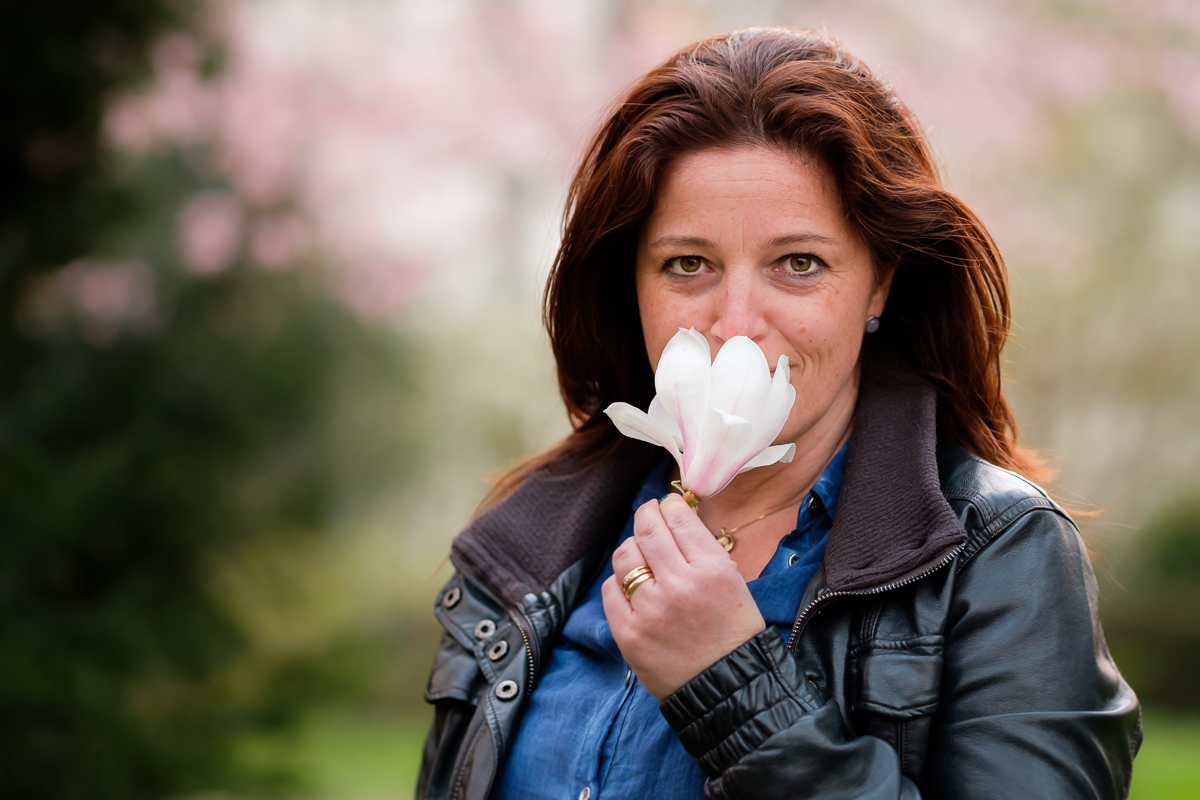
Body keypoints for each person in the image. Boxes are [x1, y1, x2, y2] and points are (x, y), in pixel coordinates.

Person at [416, 26, 1141, 800]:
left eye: (799, 264)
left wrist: (731, 688)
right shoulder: (535, 544)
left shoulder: (1000, 556)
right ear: (631, 284)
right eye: (687, 264)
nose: (735, 323)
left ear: (879, 285)